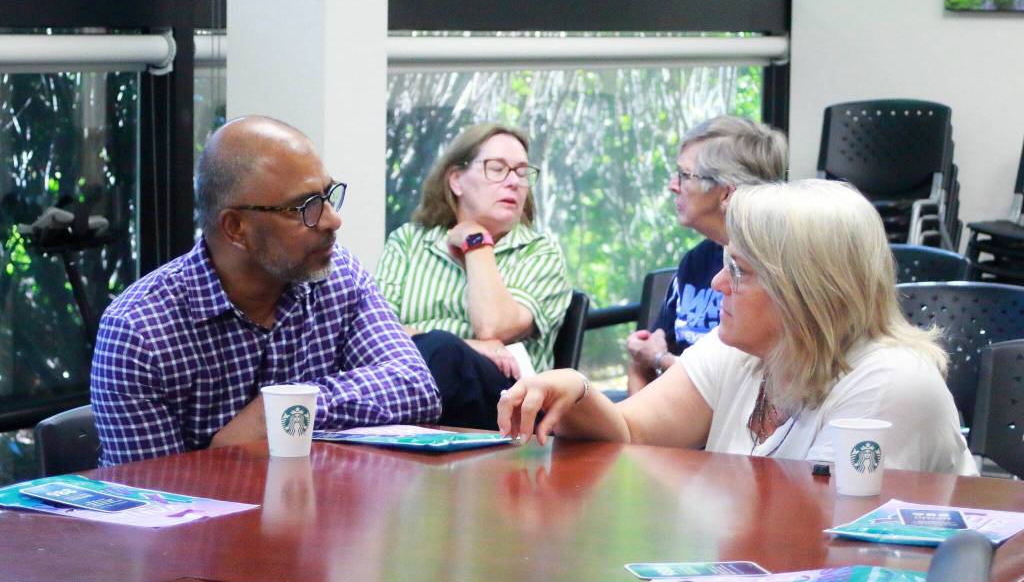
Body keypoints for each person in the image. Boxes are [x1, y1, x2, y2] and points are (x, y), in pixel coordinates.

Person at [497, 179, 976, 475]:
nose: (718, 282)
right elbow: (627, 434)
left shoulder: (889, 380)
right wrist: (575, 390)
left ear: (805, 290)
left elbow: (830, 537)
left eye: (741, 270)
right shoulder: (742, 348)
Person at [91, 116, 440, 465]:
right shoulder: (139, 332)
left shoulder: (337, 276)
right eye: (306, 207)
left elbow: (415, 385)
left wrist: (281, 411)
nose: (332, 220)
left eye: (328, 195)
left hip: (320, 510)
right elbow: (150, 502)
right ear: (236, 228)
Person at [376, 123, 571, 429]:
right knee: (439, 349)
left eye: (521, 172)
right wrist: (471, 345)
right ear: (456, 180)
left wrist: (476, 242)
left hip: (507, 400)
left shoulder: (540, 252)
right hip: (411, 378)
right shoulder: (408, 242)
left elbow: (492, 325)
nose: (513, 182)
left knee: (444, 350)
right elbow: (376, 331)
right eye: (497, 169)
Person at [626, 116, 787, 395]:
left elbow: (744, 393)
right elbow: (641, 367)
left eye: (685, 175)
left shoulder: (775, 271)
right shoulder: (695, 261)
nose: (672, 186)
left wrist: (660, 359)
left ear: (726, 192)